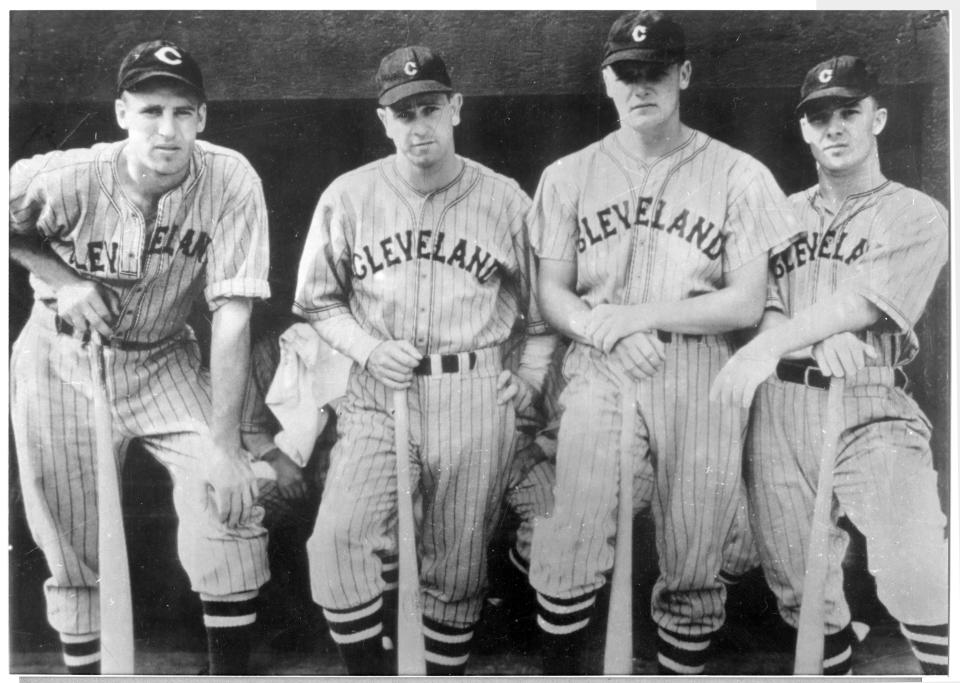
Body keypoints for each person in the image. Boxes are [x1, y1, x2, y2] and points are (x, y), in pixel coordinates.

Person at [527, 11, 798, 674]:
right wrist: (603, 328)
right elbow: (552, 293)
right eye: (627, 73)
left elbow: (744, 300)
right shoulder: (569, 174)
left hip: (702, 368)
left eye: (654, 72)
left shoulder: (740, 174)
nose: (640, 85)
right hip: (601, 362)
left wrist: (635, 315)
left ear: (683, 74)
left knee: (694, 556)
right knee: (574, 534)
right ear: (607, 81)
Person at [9, 40, 271, 675]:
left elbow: (232, 315)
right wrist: (61, 278)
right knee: (72, 548)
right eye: (152, 110)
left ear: (202, 118)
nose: (167, 128)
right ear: (122, 111)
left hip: (161, 360)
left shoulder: (231, 178)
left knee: (227, 499)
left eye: (184, 112)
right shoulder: (65, 175)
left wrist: (229, 444)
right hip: (62, 364)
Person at [293, 45, 554, 675]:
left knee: (455, 567)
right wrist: (368, 347)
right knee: (337, 543)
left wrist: (527, 378)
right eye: (402, 113)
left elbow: (543, 315)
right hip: (378, 393)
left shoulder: (505, 199)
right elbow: (317, 302)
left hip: (472, 390)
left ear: (455, 108)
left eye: (429, 108)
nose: (418, 125)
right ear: (384, 121)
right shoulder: (348, 196)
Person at [710, 55, 948, 675]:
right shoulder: (778, 214)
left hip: (870, 401)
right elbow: (756, 310)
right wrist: (809, 341)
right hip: (782, 409)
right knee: (803, 592)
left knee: (915, 562)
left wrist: (777, 342)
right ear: (804, 131)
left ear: (879, 118)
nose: (834, 127)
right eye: (819, 116)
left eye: (849, 112)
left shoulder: (918, 212)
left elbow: (861, 303)